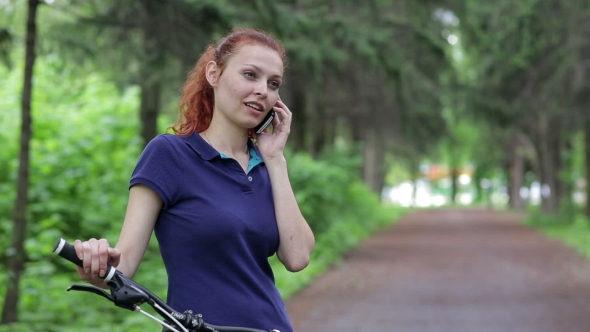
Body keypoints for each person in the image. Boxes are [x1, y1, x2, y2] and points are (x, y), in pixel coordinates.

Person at [73, 27, 315, 332]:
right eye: (250, 75)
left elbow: (297, 257)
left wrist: (276, 159)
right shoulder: (169, 155)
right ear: (214, 74)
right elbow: (125, 266)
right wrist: (95, 264)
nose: (262, 90)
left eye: (273, 83)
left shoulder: (266, 169)